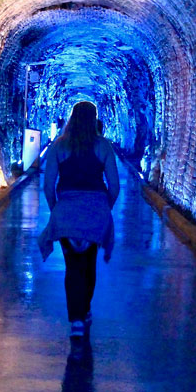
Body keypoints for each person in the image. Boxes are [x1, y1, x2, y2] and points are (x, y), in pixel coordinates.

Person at [38, 101, 119, 337]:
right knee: (88, 263)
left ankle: (76, 319)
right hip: (95, 211)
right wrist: (106, 208)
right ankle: (84, 311)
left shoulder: (59, 146)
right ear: (94, 119)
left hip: (67, 212)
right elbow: (114, 186)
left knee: (72, 266)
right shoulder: (103, 146)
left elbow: (47, 185)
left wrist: (56, 211)